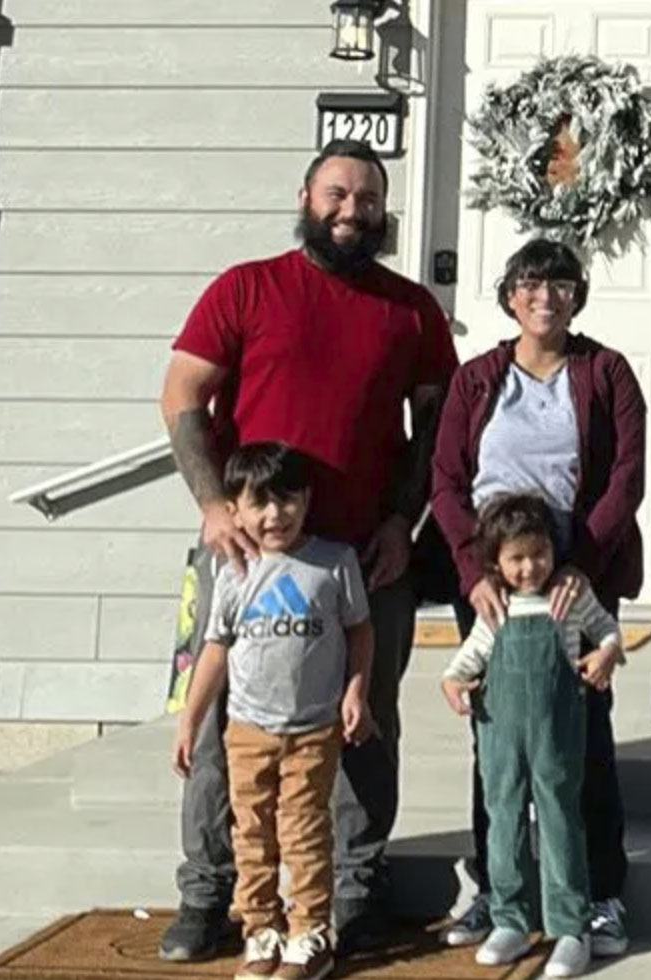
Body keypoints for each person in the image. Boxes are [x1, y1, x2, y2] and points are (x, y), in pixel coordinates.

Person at [158, 139, 459, 962]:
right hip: (244, 556)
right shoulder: (246, 288)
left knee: (366, 718)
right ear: (306, 197)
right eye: (337, 194)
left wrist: (403, 522)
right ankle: (208, 892)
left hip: (367, 558)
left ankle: (355, 890)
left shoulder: (411, 311)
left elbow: (436, 423)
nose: (352, 211)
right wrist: (213, 505)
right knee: (222, 723)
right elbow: (182, 395)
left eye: (368, 199)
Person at [431, 238, 646, 957]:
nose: (545, 296)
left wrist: (581, 564)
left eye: (559, 284)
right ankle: (499, 893)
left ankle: (600, 894)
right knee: (496, 741)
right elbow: (446, 481)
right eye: (530, 282)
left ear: (576, 295)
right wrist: (474, 571)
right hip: (493, 574)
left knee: (581, 736)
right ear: (509, 296)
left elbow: (626, 475)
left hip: (573, 567)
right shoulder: (477, 380)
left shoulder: (605, 372)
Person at [173, 443, 375, 980]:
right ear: (234, 510)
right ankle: (261, 929)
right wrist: (190, 720)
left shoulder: (334, 562)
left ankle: (310, 932)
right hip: (247, 730)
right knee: (252, 833)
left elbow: (360, 631)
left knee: (304, 831)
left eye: (287, 500)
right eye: (258, 503)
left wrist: (356, 692)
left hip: (313, 729)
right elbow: (214, 649)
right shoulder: (232, 571)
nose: (274, 515)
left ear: (306, 500)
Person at [440, 494, 624, 977]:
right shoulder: (496, 607)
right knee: (504, 822)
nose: (529, 568)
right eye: (516, 558)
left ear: (553, 550)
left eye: (538, 554)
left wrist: (605, 653)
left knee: (560, 819)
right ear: (496, 562)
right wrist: (453, 682)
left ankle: (571, 926)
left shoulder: (569, 599)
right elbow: (470, 656)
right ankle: (511, 920)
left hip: (555, 734)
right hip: (500, 735)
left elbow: (607, 631)